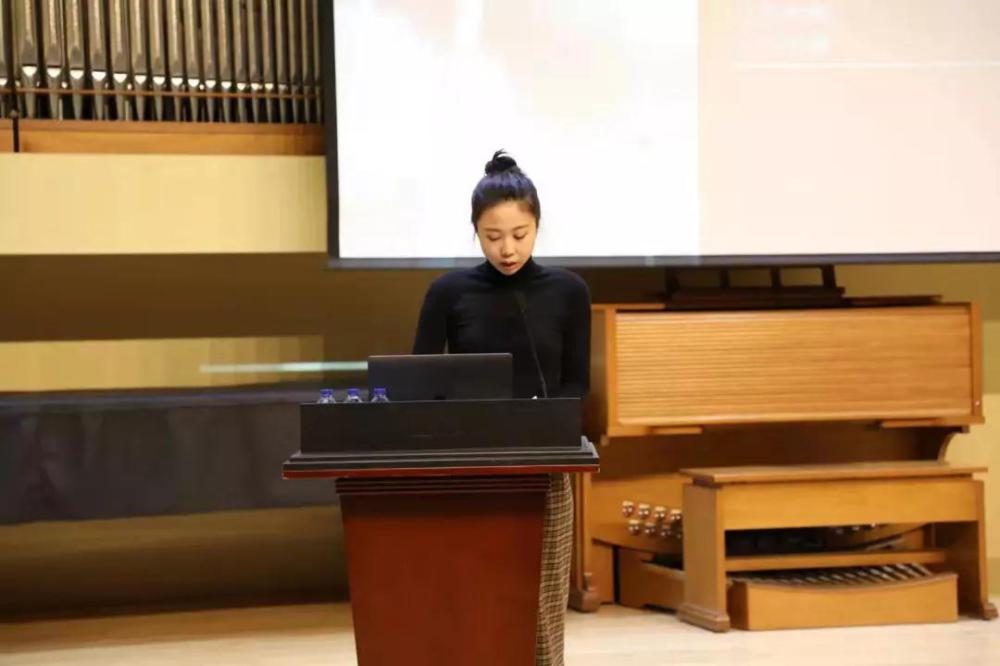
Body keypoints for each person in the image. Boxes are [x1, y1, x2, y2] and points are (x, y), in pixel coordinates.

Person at [412, 150, 591, 666]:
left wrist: (546, 425)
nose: (507, 249)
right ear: (475, 231)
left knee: (542, 602)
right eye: (493, 236)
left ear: (537, 227)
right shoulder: (448, 292)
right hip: (467, 463)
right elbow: (419, 381)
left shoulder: (568, 291)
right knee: (471, 595)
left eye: (519, 234)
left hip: (544, 462)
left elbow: (576, 383)